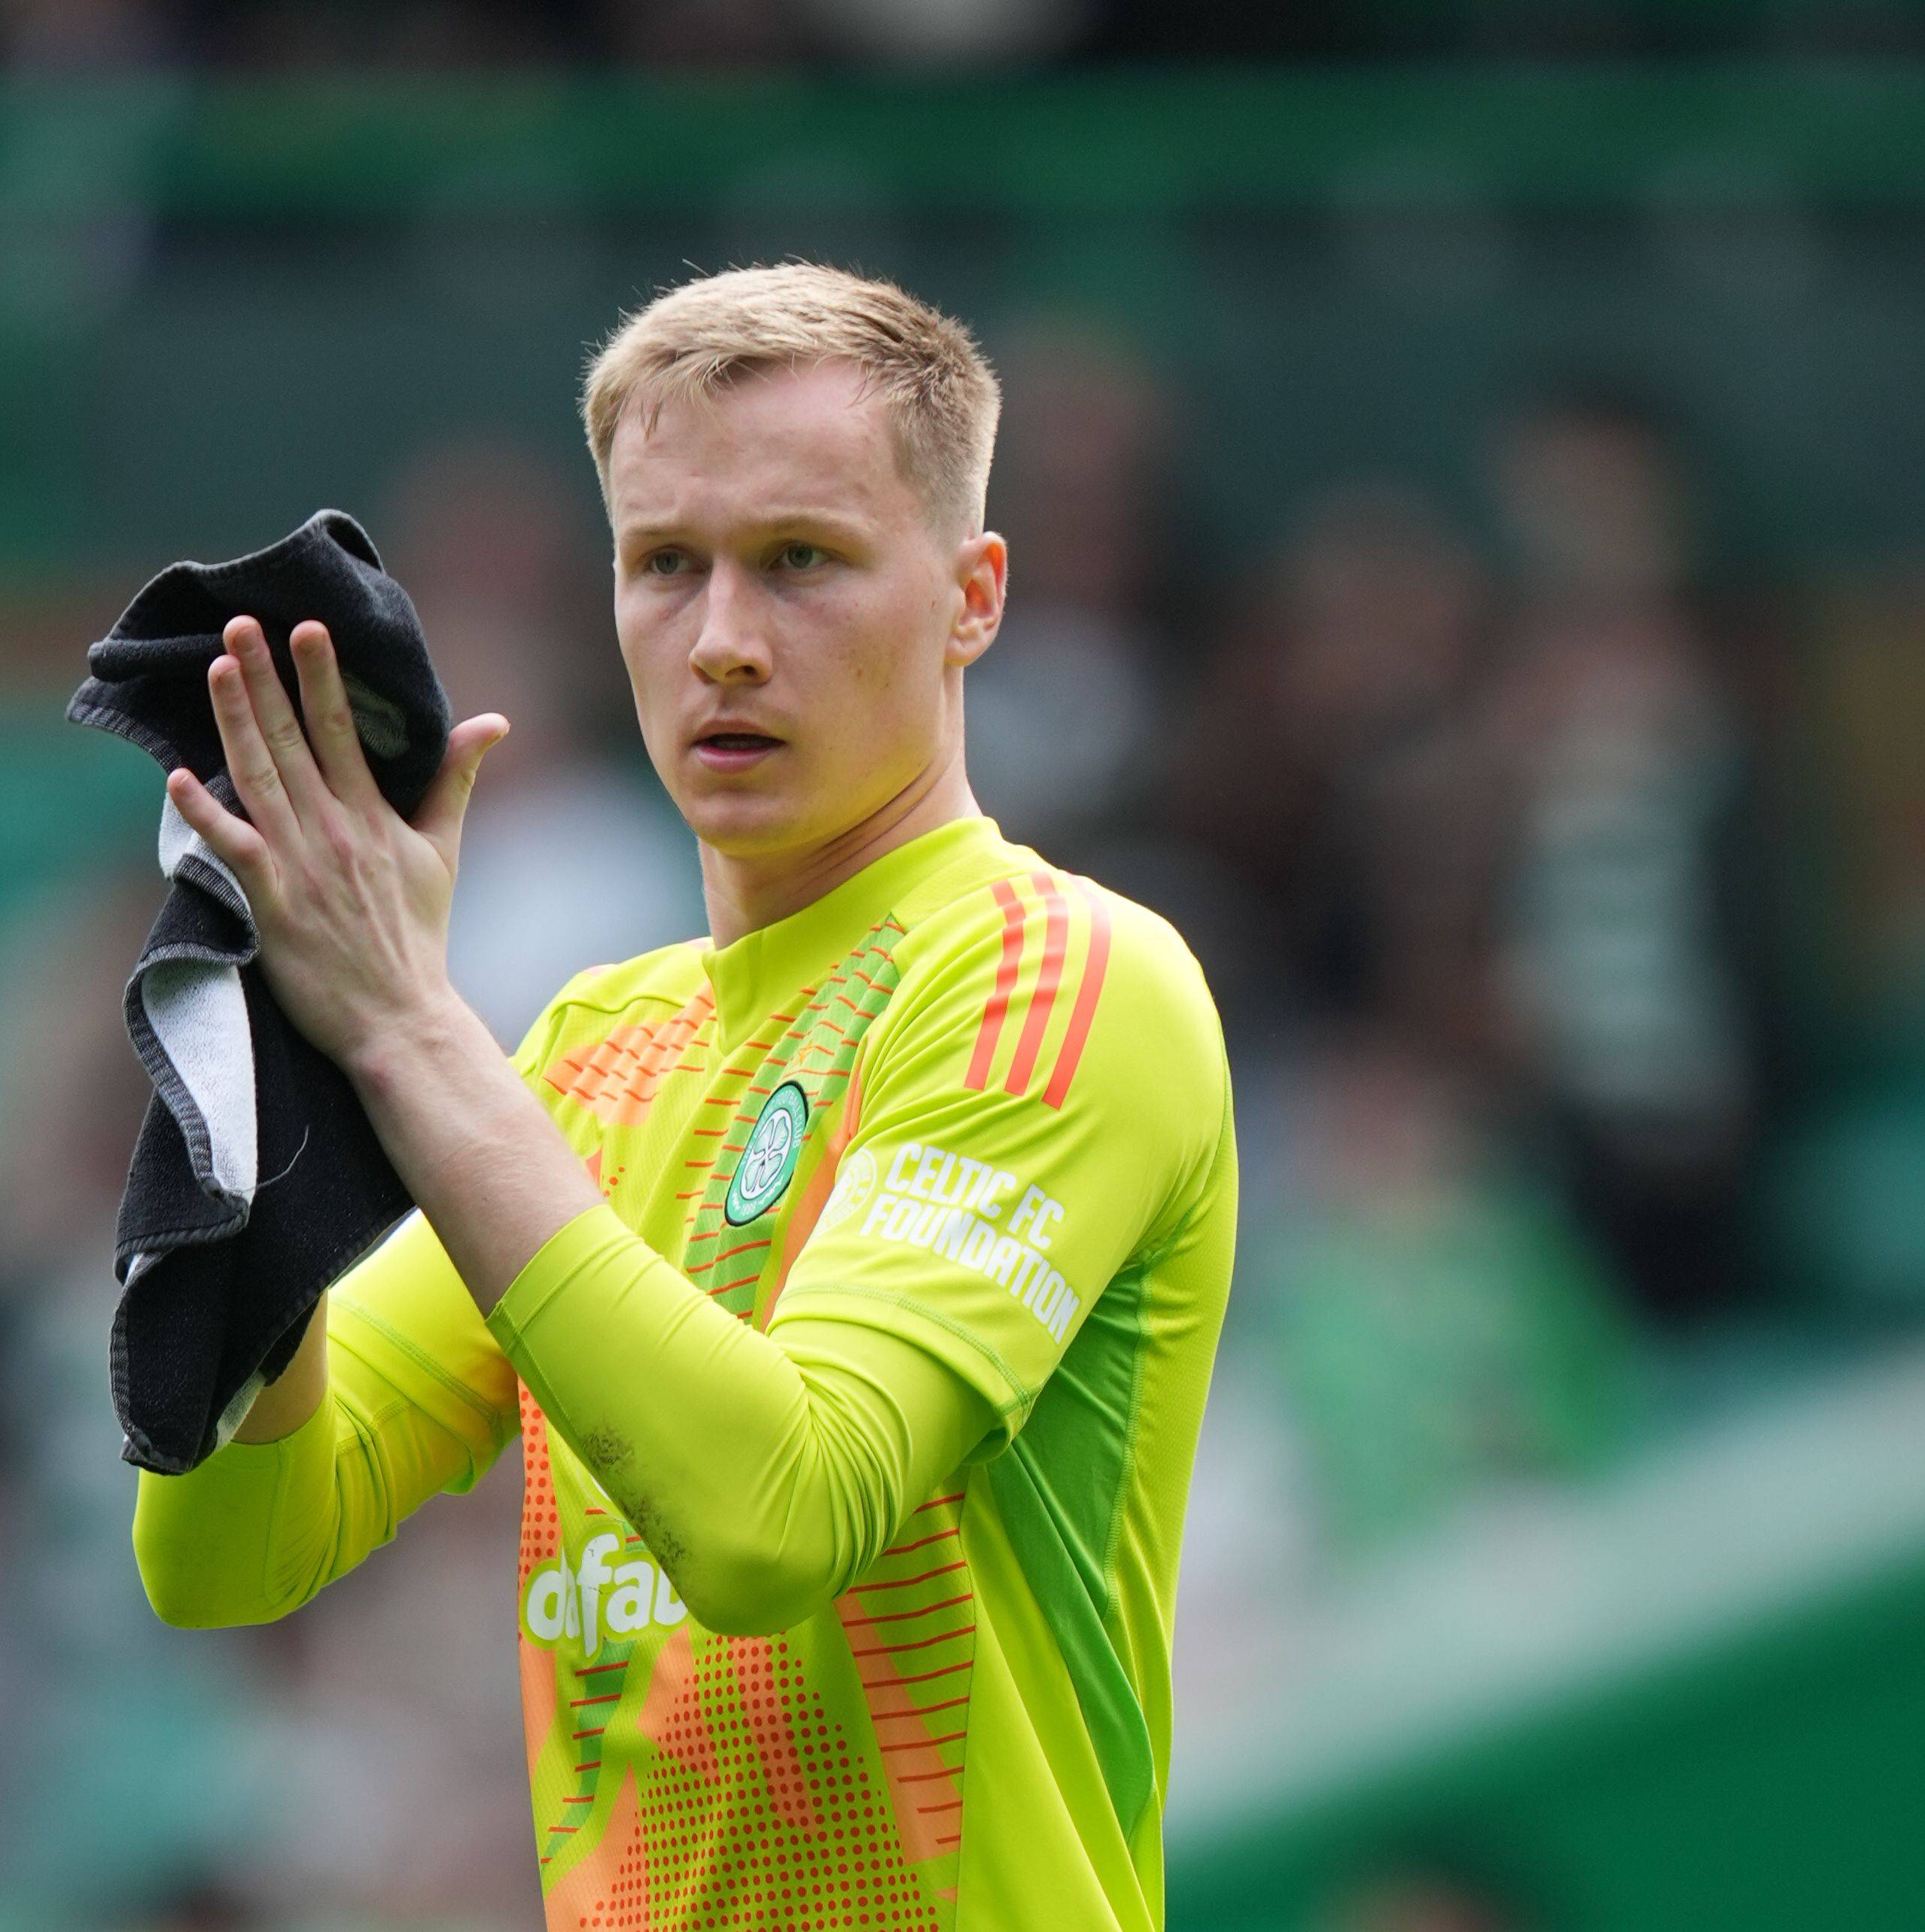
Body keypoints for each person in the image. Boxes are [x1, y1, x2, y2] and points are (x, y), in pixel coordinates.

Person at [129, 263, 1238, 1931]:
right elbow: (228, 1545)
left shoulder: (1060, 977)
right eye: (666, 565)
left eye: (800, 560)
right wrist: (281, 1064)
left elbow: (774, 1515)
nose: (721, 639)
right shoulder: (592, 1049)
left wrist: (411, 1031)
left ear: (970, 594)